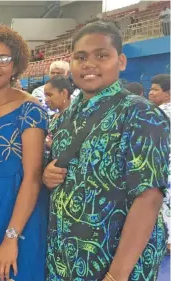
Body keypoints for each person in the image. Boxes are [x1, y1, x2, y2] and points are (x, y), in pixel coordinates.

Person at [44, 21, 169, 281]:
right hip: (66, 258)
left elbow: (149, 198)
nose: (89, 64)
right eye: (81, 57)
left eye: (101, 55)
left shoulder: (140, 114)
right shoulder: (65, 119)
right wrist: (48, 175)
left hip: (116, 263)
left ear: (121, 61)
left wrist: (117, 274)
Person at [0, 25, 49, 281]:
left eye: (3, 59)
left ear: (16, 66)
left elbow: (33, 176)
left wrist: (11, 237)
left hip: (21, 213)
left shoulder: (29, 109)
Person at [148, 74, 171, 253]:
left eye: (155, 90)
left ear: (168, 94)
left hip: (165, 166)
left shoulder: (160, 112)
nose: (150, 93)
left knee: (163, 204)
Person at [43, 76, 75, 149]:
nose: (46, 99)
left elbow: (69, 151)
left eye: (49, 95)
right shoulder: (53, 117)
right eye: (45, 96)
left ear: (63, 93)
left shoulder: (74, 118)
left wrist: (48, 142)